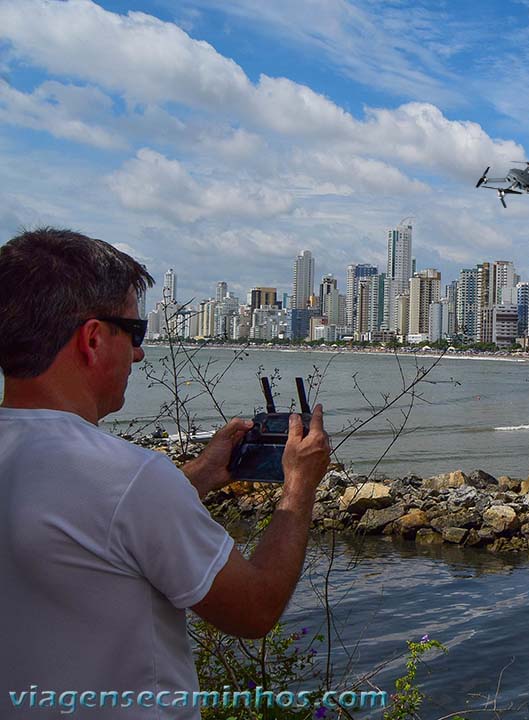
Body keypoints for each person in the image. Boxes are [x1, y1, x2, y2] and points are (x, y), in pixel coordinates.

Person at [0, 228, 331, 716]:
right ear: (92, 339)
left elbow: (97, 527)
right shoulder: (127, 476)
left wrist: (195, 477)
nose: (138, 353)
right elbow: (255, 607)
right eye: (134, 334)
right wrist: (299, 486)